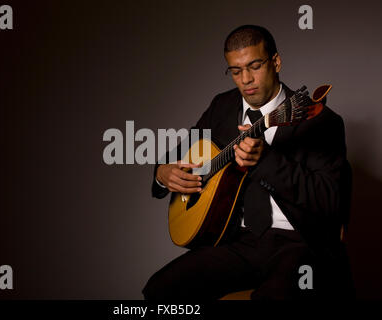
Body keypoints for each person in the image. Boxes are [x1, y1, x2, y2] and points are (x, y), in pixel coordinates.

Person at [143, 25, 354, 300]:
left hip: (298, 245)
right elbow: (182, 151)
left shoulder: (321, 122)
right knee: (160, 290)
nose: (246, 79)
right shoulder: (222, 106)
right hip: (236, 241)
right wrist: (162, 172)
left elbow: (329, 200)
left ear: (275, 62)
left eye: (255, 66)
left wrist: (265, 161)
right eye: (236, 70)